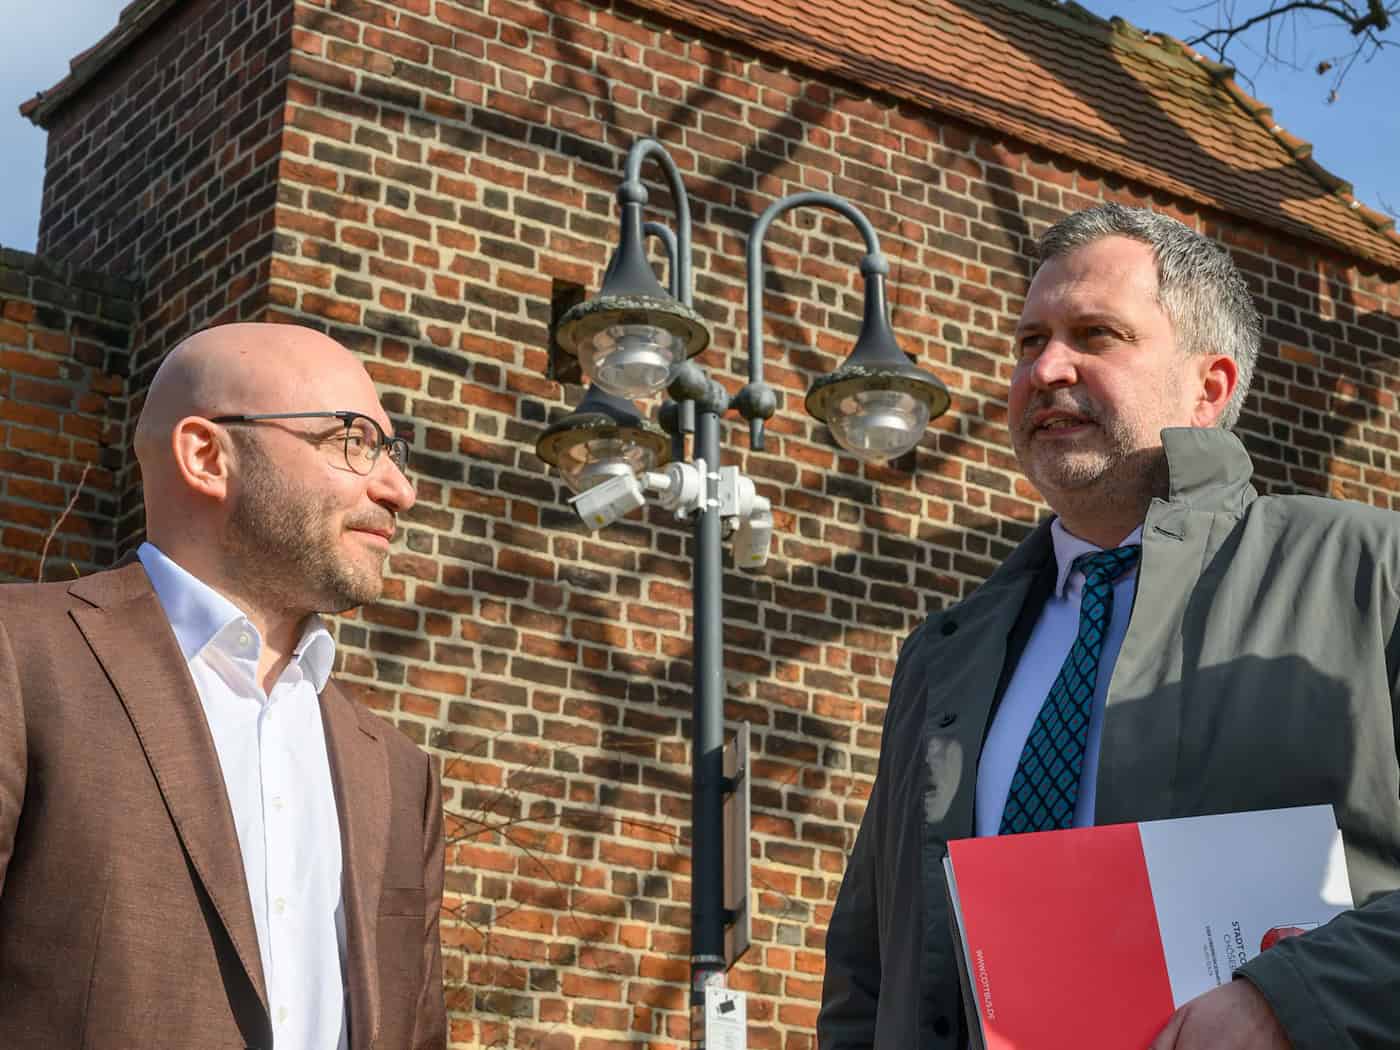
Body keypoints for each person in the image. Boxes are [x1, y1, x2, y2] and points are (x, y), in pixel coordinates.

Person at [818, 204, 1400, 1050]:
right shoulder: (945, 657)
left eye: (1096, 335)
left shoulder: (1369, 574)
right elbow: (866, 974)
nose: (1047, 367)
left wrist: (1292, 1003)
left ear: (1210, 388)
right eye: (1030, 341)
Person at [0, 323, 447, 1049]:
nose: (401, 490)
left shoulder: (399, 774)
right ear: (207, 456)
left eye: (393, 452)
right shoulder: (21, 659)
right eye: (353, 440)